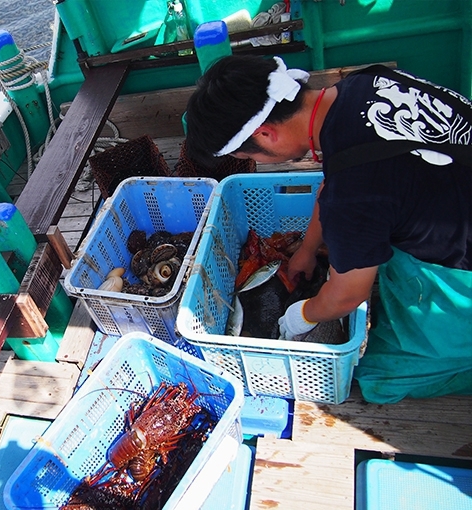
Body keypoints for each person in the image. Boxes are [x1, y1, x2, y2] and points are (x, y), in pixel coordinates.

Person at [184, 54, 472, 404]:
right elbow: (336, 182)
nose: (256, 163)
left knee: (376, 381)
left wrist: (300, 316)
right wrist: (307, 249)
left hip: (460, 272)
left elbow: (347, 296)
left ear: (266, 134)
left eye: (250, 158)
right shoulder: (362, 84)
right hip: (449, 191)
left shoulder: (355, 193)